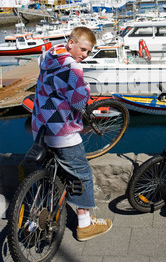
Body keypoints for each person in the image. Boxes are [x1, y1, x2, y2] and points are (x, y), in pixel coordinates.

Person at [31, 26, 113, 241]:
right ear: (71, 43)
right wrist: (85, 87)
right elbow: (78, 103)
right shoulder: (73, 68)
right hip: (61, 130)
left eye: (88, 52)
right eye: (83, 49)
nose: (84, 55)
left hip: (40, 123)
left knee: (53, 168)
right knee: (82, 172)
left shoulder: (49, 55)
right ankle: (85, 224)